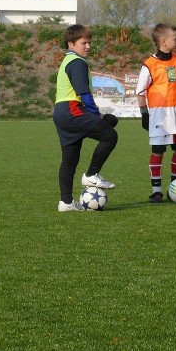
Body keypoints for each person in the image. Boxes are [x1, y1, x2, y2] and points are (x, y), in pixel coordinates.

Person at [52, 24, 118, 212]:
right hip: (72, 109)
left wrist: (98, 115)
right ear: (71, 43)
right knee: (110, 135)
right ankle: (91, 174)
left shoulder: (68, 60)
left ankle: (66, 203)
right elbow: (84, 93)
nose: (88, 46)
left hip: (61, 112)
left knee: (69, 159)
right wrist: (96, 114)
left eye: (89, 42)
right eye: (84, 42)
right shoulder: (77, 62)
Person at [136, 23, 176, 202]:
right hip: (159, 114)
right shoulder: (149, 64)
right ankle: (156, 191)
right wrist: (144, 114)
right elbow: (140, 91)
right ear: (164, 41)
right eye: (175, 39)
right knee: (158, 150)